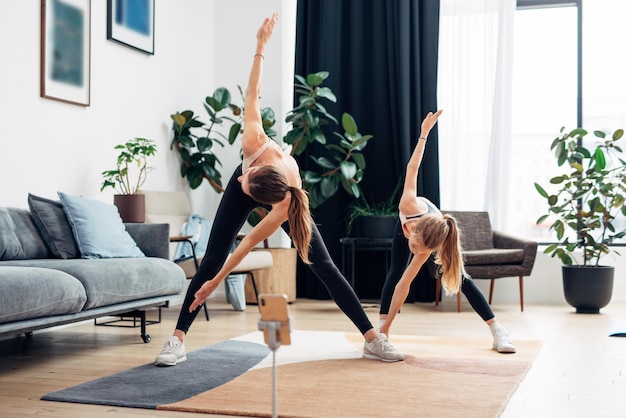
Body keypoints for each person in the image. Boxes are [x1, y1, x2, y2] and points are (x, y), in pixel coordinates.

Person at [155, 13, 404, 366]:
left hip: (278, 193)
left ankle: (372, 338)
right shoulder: (253, 142)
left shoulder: (287, 200)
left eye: (245, 184)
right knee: (211, 259)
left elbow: (249, 243)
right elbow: (253, 92)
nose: (240, 180)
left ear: (267, 202)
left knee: (325, 266)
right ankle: (177, 340)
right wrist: (260, 47)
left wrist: (220, 280)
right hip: (260, 178)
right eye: (244, 176)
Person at [377, 110, 516, 354]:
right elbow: (413, 167)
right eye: (416, 246)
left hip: (430, 229)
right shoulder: (408, 204)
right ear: (414, 231)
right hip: (409, 222)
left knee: (462, 277)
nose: (417, 252)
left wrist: (422, 248)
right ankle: (380, 332)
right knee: (396, 270)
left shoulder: (430, 241)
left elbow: (408, 283)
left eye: (422, 251)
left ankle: (498, 331)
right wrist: (423, 135)